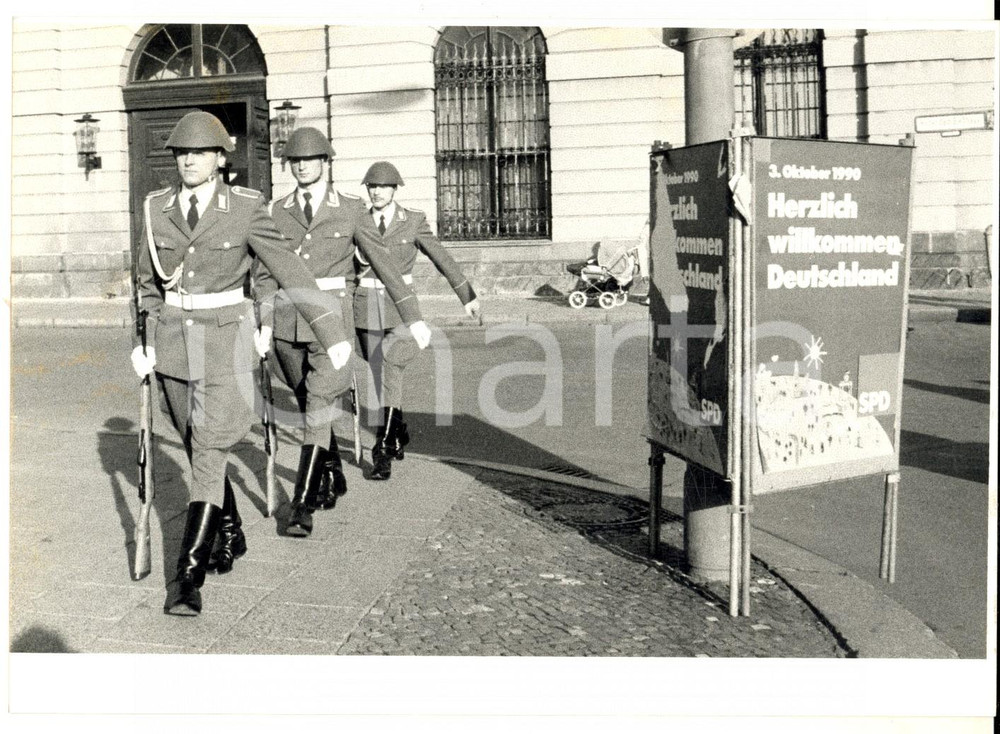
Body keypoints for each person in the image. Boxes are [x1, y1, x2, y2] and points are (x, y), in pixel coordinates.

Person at [129, 111, 353, 616]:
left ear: (219, 158)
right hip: (171, 344)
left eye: (200, 153)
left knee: (208, 449)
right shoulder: (155, 207)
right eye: (181, 153)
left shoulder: (246, 208)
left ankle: (186, 578)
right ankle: (229, 528)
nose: (188, 160)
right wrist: (142, 339)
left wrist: (331, 330)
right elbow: (145, 283)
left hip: (226, 340)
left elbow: (288, 267)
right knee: (192, 442)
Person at [254, 128, 430, 537]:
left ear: (325, 163)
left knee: (317, 404)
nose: (302, 166)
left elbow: (383, 263)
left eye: (310, 159)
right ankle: (331, 470)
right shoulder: (275, 211)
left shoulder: (351, 210)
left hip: (332, 320)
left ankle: (302, 504)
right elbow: (263, 270)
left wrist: (412, 313)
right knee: (305, 401)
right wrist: (263, 319)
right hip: (285, 318)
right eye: (295, 160)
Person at [355, 161, 481, 480]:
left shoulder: (412, 221)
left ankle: (382, 449)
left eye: (383, 186)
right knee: (378, 374)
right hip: (364, 307)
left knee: (392, 366)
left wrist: (467, 295)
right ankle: (398, 431)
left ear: (395, 188)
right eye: (372, 187)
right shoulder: (357, 221)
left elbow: (441, 258)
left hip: (402, 310)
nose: (377, 192)